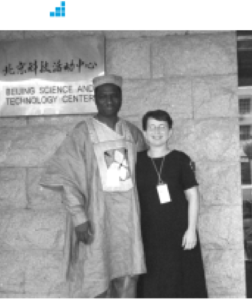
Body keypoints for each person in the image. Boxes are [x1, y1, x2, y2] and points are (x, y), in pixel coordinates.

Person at [40, 74, 147, 300]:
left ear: (121, 98)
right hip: (97, 217)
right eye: (103, 96)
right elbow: (66, 176)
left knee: (128, 275)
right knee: (98, 275)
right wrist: (79, 217)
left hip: (129, 219)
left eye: (114, 96)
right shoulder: (82, 132)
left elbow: (147, 173)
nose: (109, 100)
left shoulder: (132, 132)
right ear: (95, 99)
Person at [136, 110, 208, 300]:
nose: (157, 131)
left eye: (162, 127)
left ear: (170, 132)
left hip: (180, 236)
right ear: (144, 132)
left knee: (183, 284)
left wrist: (191, 230)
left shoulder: (180, 159)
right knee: (153, 286)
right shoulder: (136, 162)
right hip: (148, 237)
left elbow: (193, 196)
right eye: (152, 127)